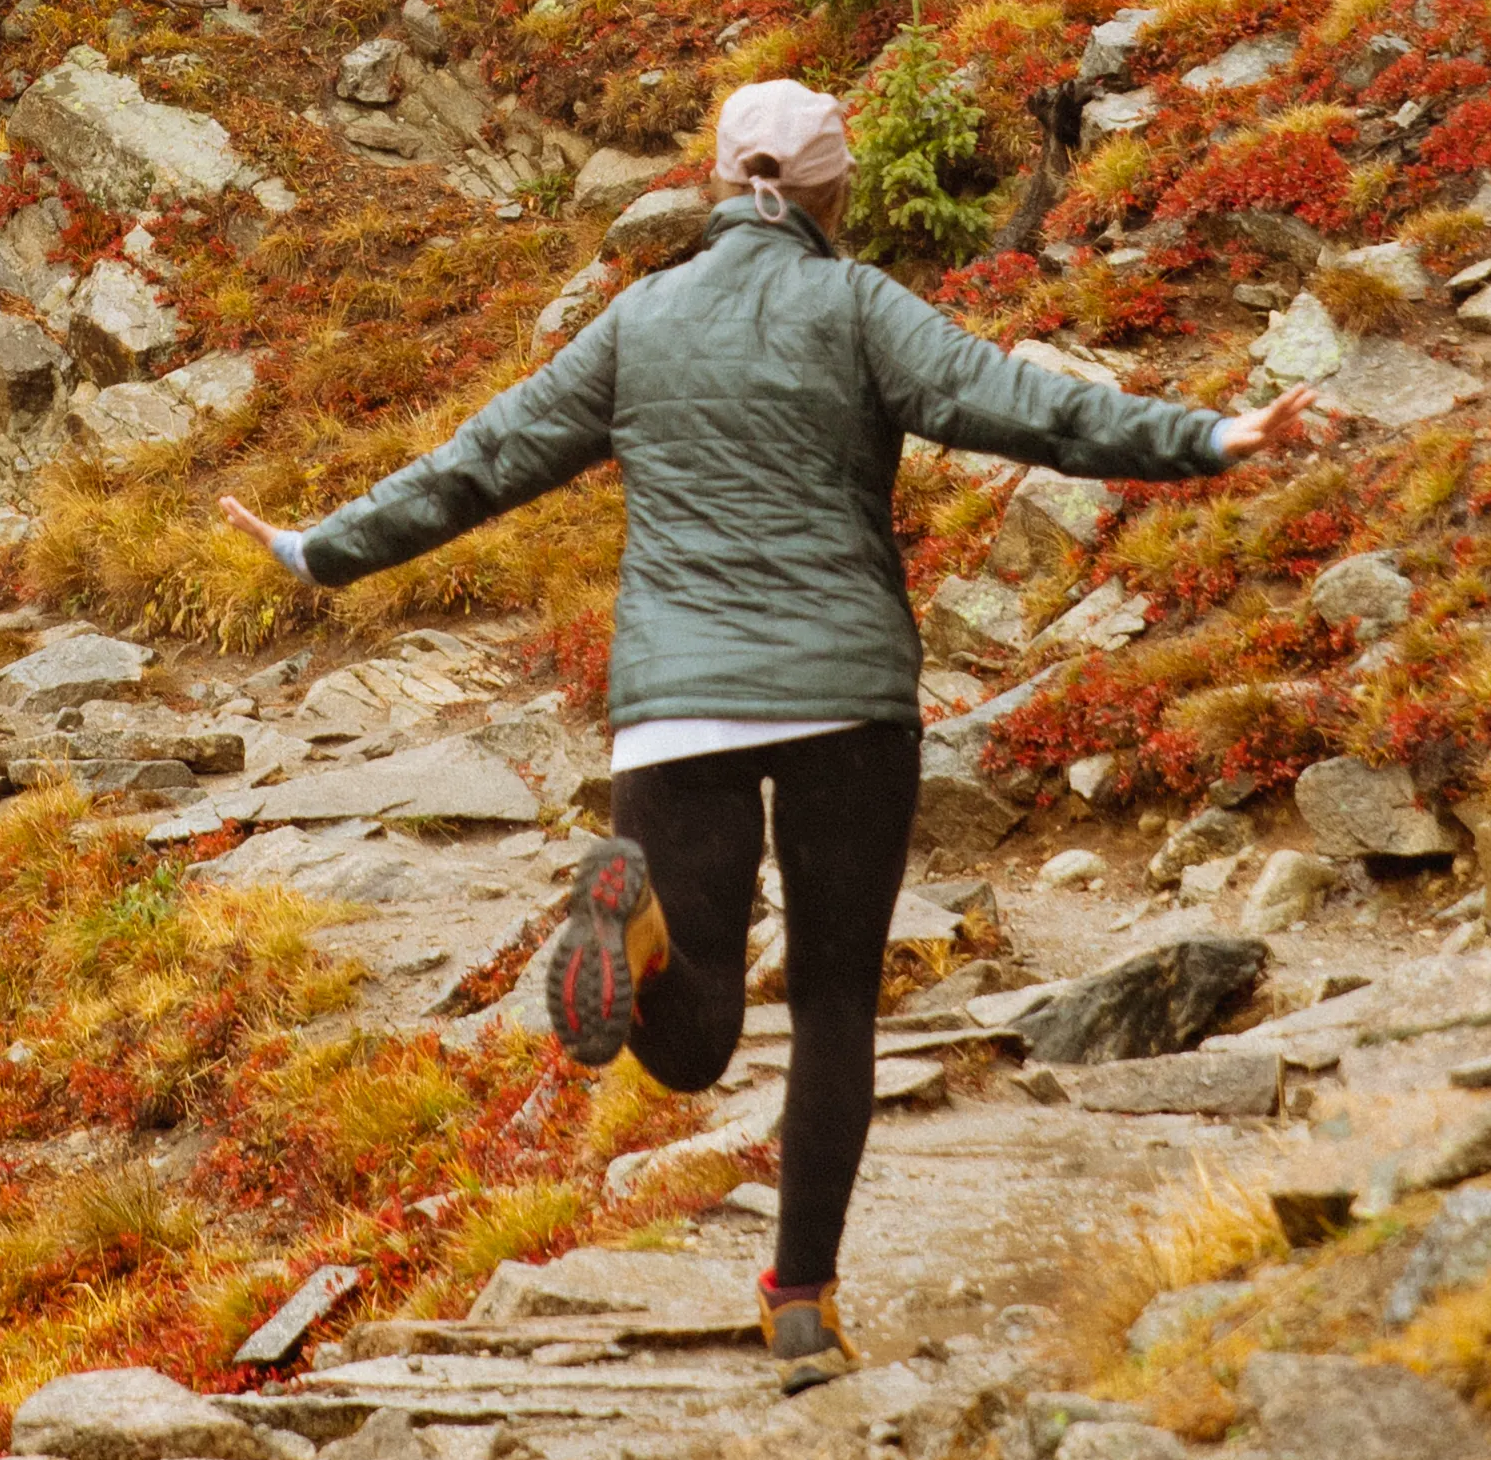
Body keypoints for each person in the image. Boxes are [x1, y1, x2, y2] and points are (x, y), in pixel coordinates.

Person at [219, 73, 1352, 1379]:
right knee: (832, 1003)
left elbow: (484, 460)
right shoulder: (860, 307)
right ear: (832, 194)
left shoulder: (640, 321)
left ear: (719, 182)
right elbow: (1025, 405)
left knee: (693, 1043)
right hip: (844, 702)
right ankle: (800, 1299)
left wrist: (319, 551)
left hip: (675, 705)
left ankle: (635, 936)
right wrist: (1210, 433)